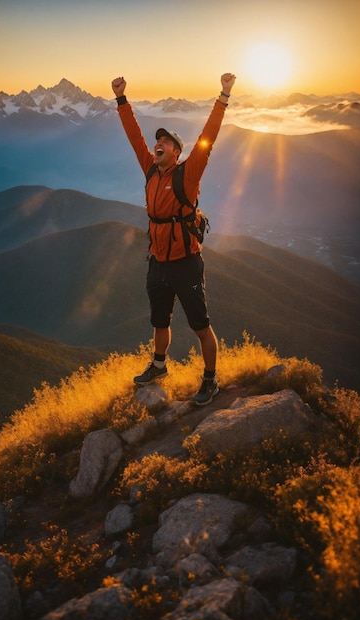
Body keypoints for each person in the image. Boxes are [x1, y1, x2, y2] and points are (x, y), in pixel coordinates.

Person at [111, 72, 236, 405]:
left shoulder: (188, 173)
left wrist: (223, 96)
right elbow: (134, 137)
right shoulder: (150, 169)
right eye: (158, 141)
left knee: (200, 325)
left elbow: (209, 136)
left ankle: (210, 381)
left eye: (165, 142)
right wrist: (121, 99)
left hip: (186, 263)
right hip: (159, 261)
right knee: (159, 320)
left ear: (178, 152)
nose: (158, 144)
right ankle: (159, 365)